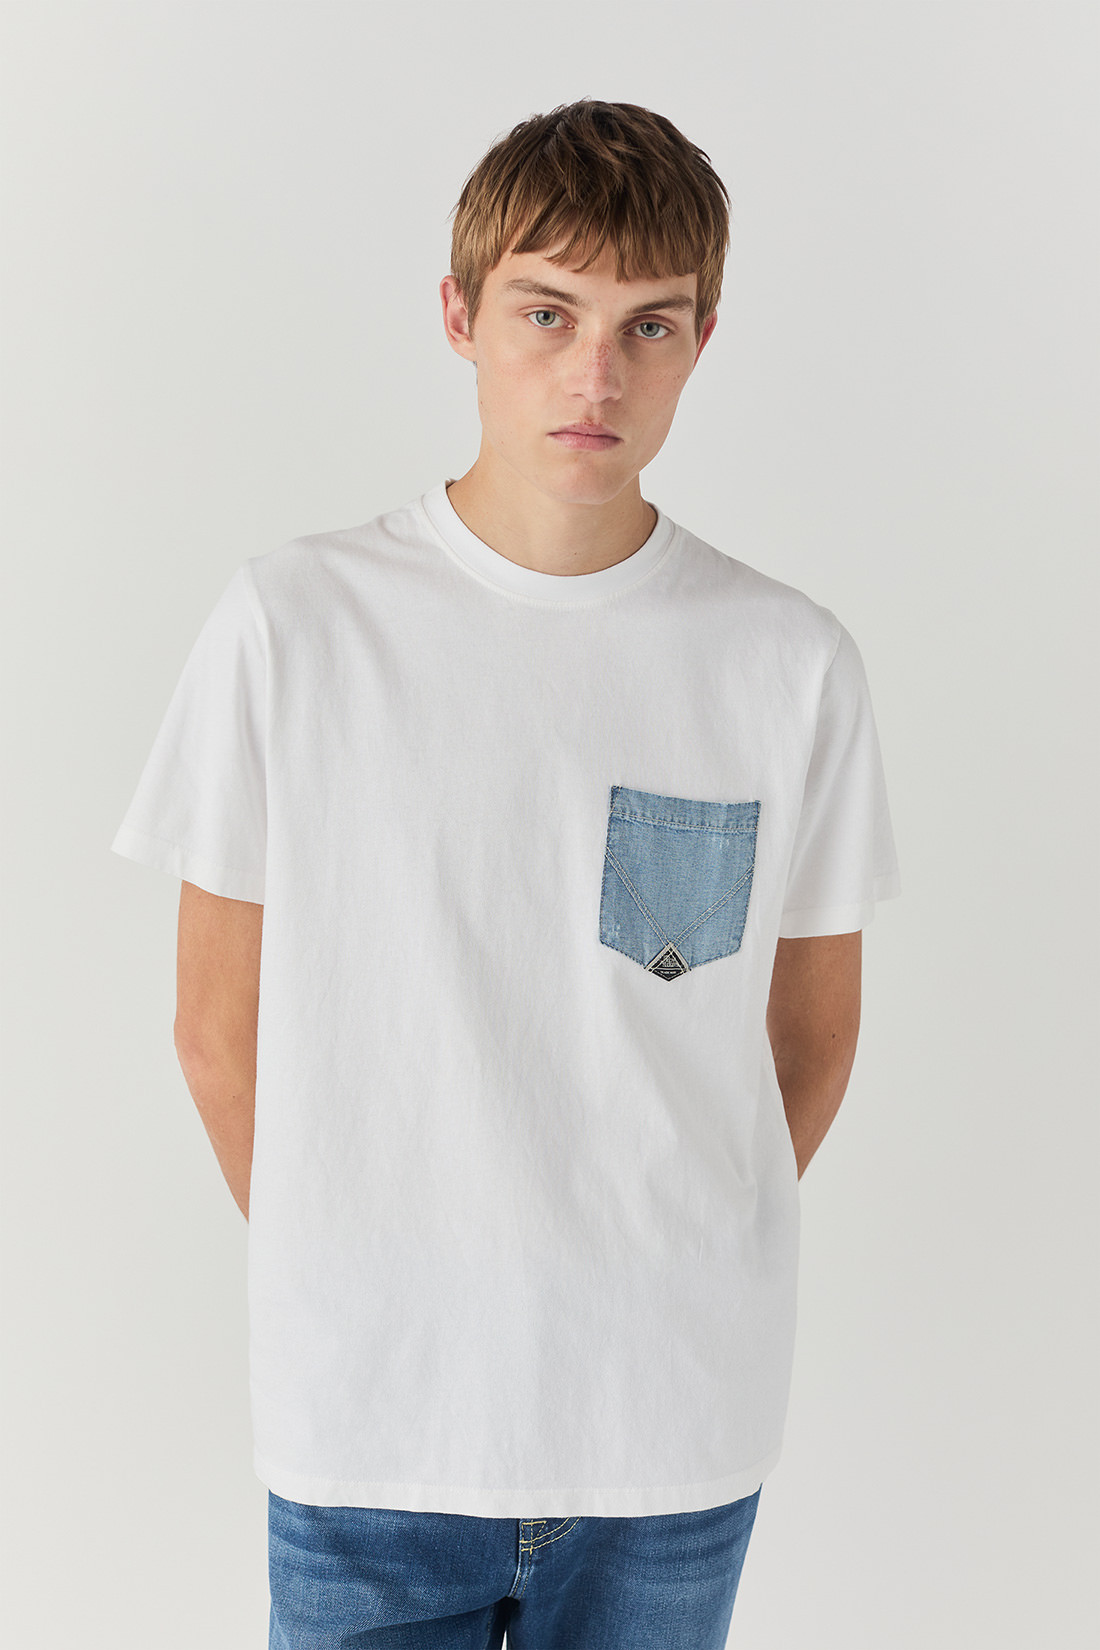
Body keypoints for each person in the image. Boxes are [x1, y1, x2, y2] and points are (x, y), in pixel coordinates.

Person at [111, 98, 900, 1650]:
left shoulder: (786, 662)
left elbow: (809, 1042)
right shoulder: (296, 626)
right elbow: (216, 1032)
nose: (596, 374)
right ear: (461, 315)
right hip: (373, 1432)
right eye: (549, 313)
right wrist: (373, 1278)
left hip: (671, 1431)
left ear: (703, 339)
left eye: (648, 325)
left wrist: (651, 1264)